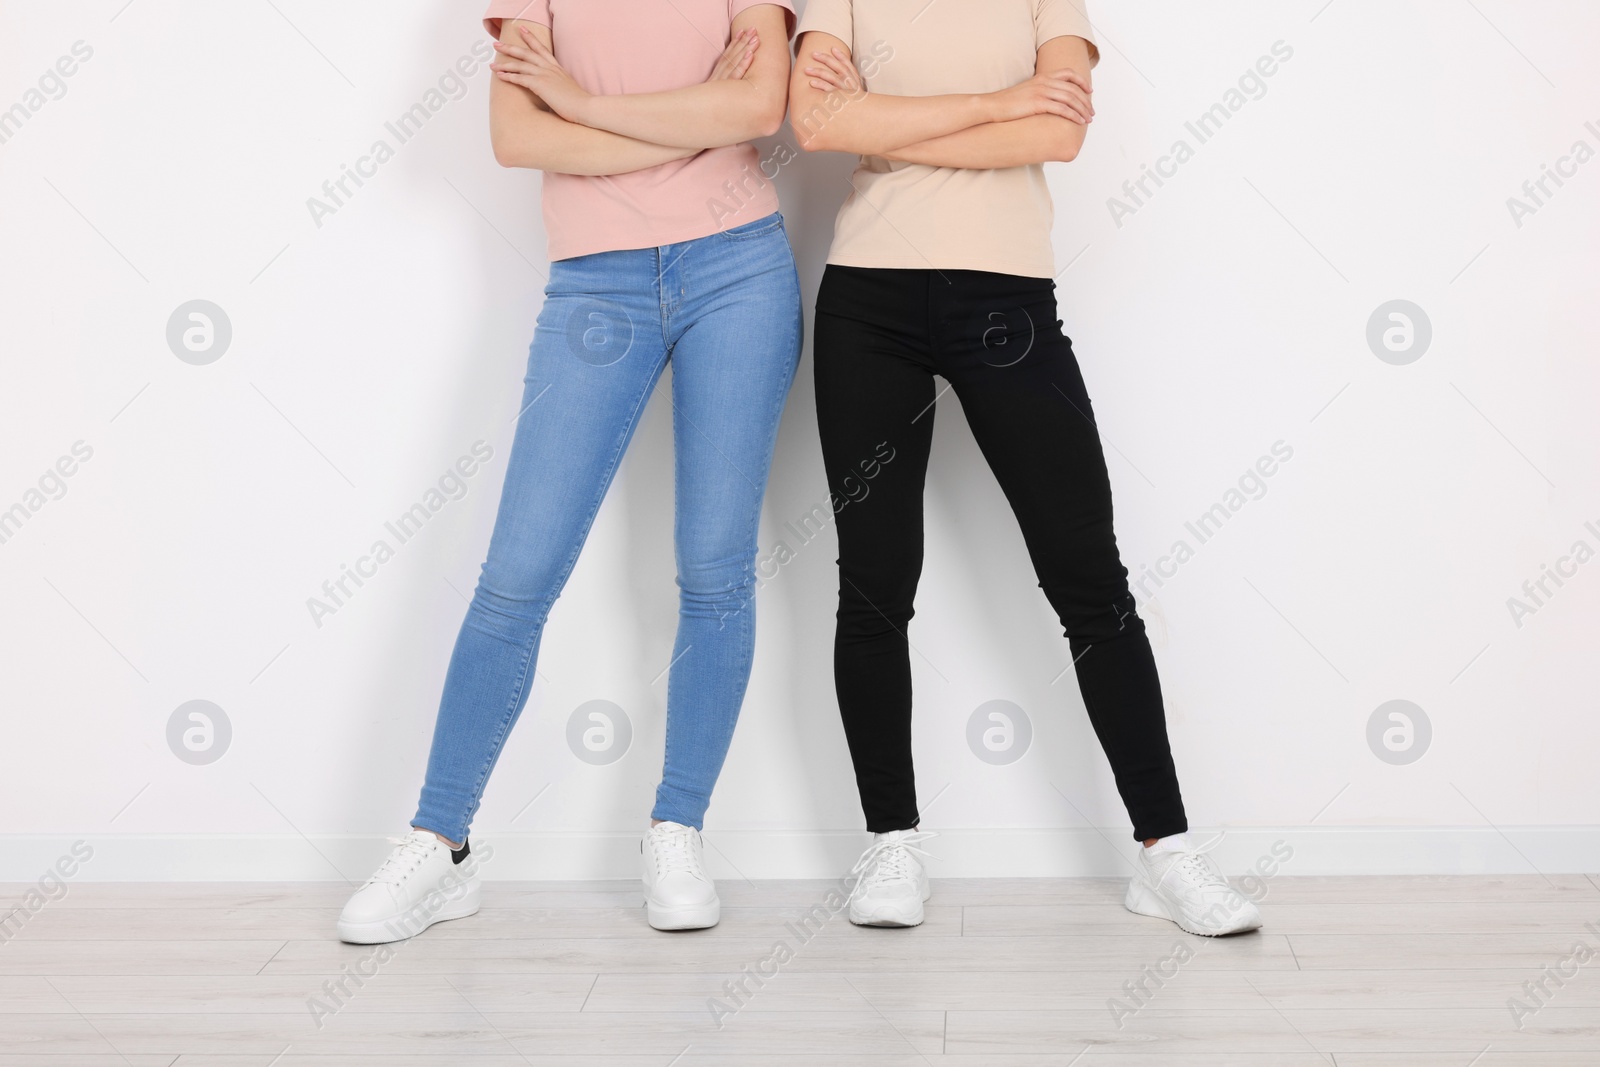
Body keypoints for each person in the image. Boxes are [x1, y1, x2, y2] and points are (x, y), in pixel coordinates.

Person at [789, 0, 1262, 936]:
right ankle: (893, 841)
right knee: (875, 587)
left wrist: (898, 119)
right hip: (865, 305)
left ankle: (1165, 850)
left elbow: (1061, 133)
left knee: (1090, 580)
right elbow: (819, 125)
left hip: (1007, 304)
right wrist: (1000, 100)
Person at [338, 0, 801, 942]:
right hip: (596, 281)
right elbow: (517, 135)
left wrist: (576, 101)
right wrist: (687, 111)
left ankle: (677, 826)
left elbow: (757, 112)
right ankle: (441, 843)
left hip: (740, 270)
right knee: (517, 573)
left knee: (714, 569)